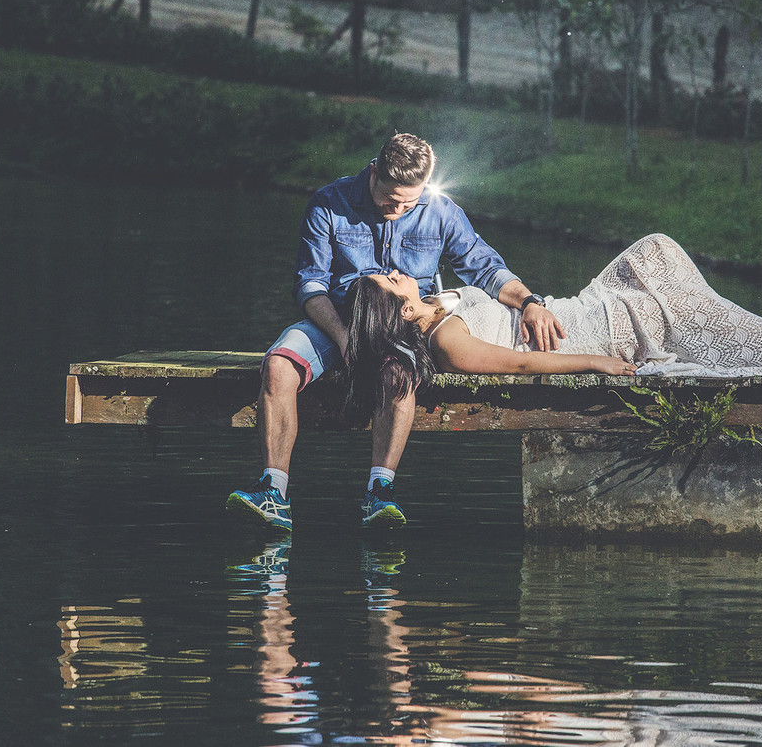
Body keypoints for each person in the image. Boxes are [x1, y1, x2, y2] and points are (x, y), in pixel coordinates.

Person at [227, 133, 563, 532]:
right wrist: (342, 336)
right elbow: (310, 286)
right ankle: (273, 492)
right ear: (374, 172)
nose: (399, 208)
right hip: (335, 317)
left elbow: (487, 270)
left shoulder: (441, 211)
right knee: (279, 366)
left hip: (400, 325)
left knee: (399, 376)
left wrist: (530, 303)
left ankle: (379, 492)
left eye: (410, 201)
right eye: (391, 199)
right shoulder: (328, 203)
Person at [343, 233, 762, 419]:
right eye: (390, 283)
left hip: (571, 307)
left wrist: (530, 303)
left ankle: (750, 342)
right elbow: (524, 363)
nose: (394, 273)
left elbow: (500, 288)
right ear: (404, 313)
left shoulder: (435, 298)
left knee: (655, 251)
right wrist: (596, 362)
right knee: (676, 308)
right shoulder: (447, 340)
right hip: (588, 335)